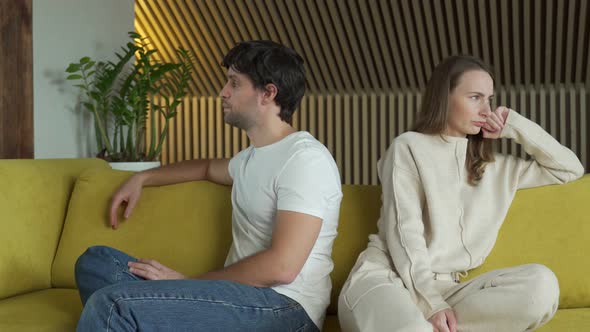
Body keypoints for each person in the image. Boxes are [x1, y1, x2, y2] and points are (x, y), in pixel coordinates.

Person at [75, 40, 343, 332]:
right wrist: (142, 178)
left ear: (268, 93)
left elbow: (282, 266)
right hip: (234, 301)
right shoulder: (250, 160)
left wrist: (188, 284)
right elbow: (204, 167)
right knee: (96, 263)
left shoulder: (304, 159)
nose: (222, 92)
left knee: (112, 305)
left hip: (284, 310)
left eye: (234, 83)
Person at [338, 55, 585, 332]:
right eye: (475, 97)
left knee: (542, 284)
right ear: (445, 98)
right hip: (386, 279)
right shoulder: (408, 147)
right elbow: (404, 232)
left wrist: (514, 127)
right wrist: (430, 304)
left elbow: (569, 169)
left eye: (489, 99)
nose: (486, 109)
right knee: (412, 328)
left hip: (449, 290)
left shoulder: (497, 169)